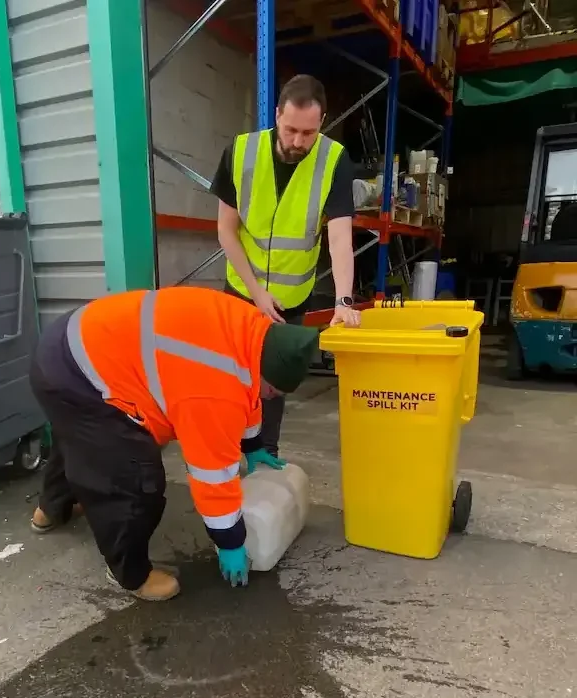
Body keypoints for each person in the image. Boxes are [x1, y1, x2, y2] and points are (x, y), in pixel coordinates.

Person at [29, 286, 319, 602]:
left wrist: (253, 446)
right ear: (263, 373)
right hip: (79, 374)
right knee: (135, 480)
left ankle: (52, 509)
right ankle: (131, 574)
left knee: (83, 439)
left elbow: (248, 393)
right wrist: (230, 541)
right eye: (273, 392)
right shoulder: (215, 390)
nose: (269, 398)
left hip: (73, 344)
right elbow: (213, 475)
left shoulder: (252, 331)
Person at [211, 73, 360, 458]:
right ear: (277, 115)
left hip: (290, 300)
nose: (297, 142)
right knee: (232, 378)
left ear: (322, 121)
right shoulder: (241, 152)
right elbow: (226, 230)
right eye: (291, 129)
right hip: (243, 292)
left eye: (308, 133)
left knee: (272, 382)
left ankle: (265, 454)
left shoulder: (334, 161)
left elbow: (340, 237)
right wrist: (257, 291)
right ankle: (226, 453)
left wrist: (345, 301)